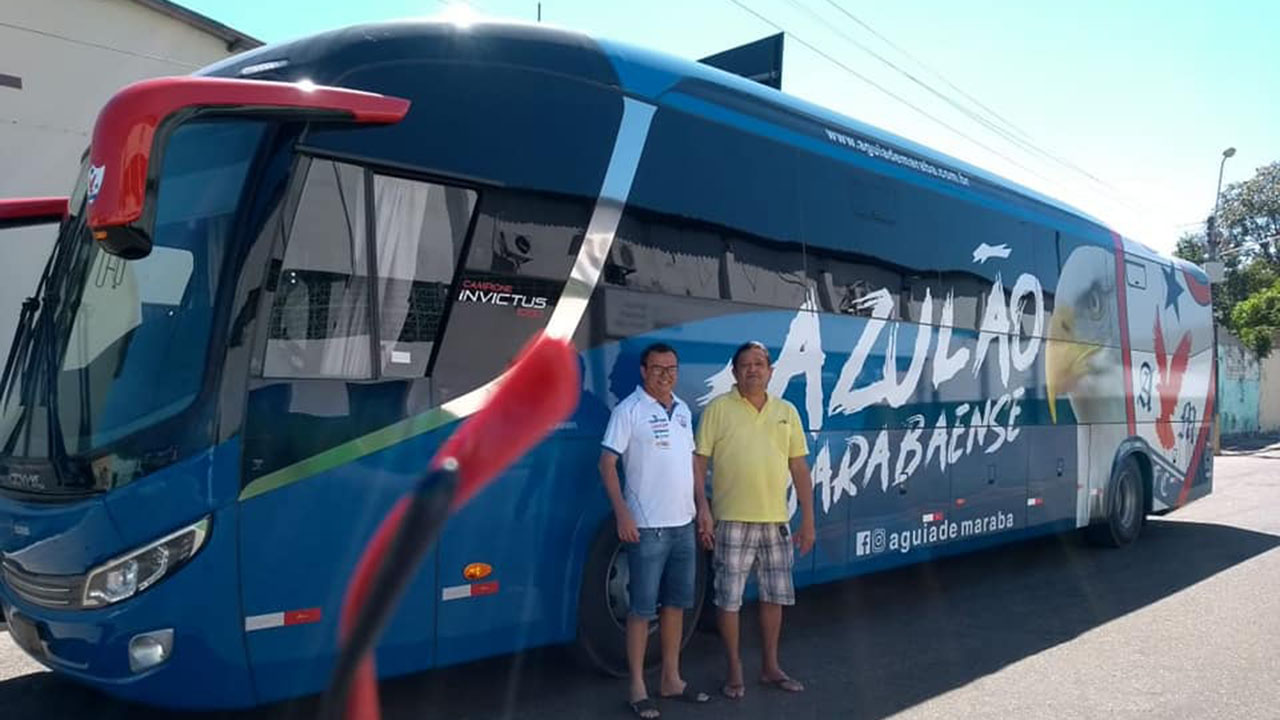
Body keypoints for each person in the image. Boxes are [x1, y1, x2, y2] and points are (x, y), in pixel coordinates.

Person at [694, 341, 816, 700]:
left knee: (773, 598)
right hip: (731, 521)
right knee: (728, 600)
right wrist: (703, 508)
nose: (753, 370)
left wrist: (807, 520)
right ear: (734, 372)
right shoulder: (718, 410)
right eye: (745, 365)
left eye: (759, 364)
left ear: (770, 370)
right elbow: (699, 463)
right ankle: (734, 669)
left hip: (775, 521)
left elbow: (799, 468)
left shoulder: (787, 411)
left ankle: (770, 666)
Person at [600, 343, 712, 718]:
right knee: (641, 610)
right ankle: (637, 686)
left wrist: (703, 508)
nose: (666, 375)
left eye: (672, 368)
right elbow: (607, 464)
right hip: (647, 528)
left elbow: (692, 468)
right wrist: (622, 514)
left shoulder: (681, 410)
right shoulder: (628, 411)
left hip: (683, 525)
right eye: (658, 368)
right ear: (644, 371)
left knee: (676, 605)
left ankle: (671, 678)